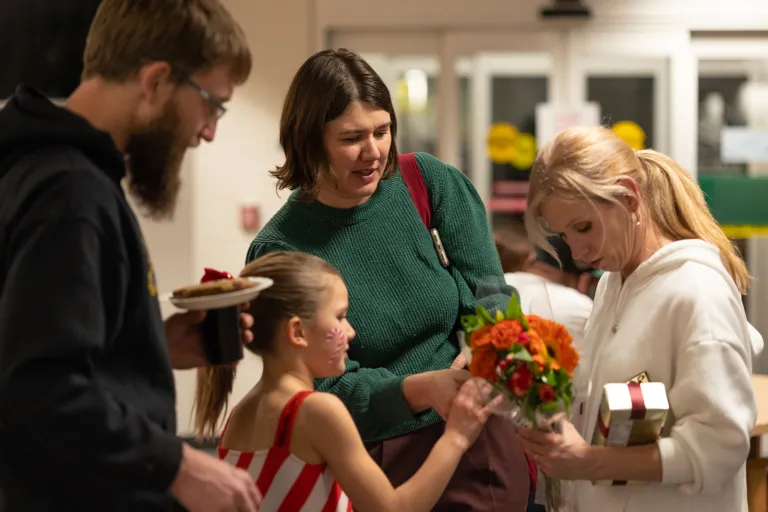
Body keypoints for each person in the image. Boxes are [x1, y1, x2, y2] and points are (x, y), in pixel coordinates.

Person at [0, 1, 261, 511]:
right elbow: (38, 388)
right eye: (212, 104)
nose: (208, 131)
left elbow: (41, 350)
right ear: (156, 81)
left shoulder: (46, 172)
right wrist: (178, 464)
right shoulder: (70, 195)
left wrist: (147, 349)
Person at [246, 48, 532, 510]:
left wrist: (485, 348)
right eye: (351, 138)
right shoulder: (280, 249)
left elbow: (492, 292)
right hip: (373, 460)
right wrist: (416, 389)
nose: (374, 151)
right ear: (308, 140)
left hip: (477, 435)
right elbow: (311, 385)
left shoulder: (428, 182)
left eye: (382, 131)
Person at [516, 125, 764, 512]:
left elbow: (722, 444)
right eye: (565, 235)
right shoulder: (613, 284)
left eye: (584, 227)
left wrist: (588, 462)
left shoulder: (696, 290)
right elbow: (628, 409)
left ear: (629, 198)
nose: (578, 251)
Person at [194, 251, 498, 511]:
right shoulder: (316, 411)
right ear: (297, 332)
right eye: (340, 317)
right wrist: (457, 437)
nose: (351, 331)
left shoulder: (239, 414)